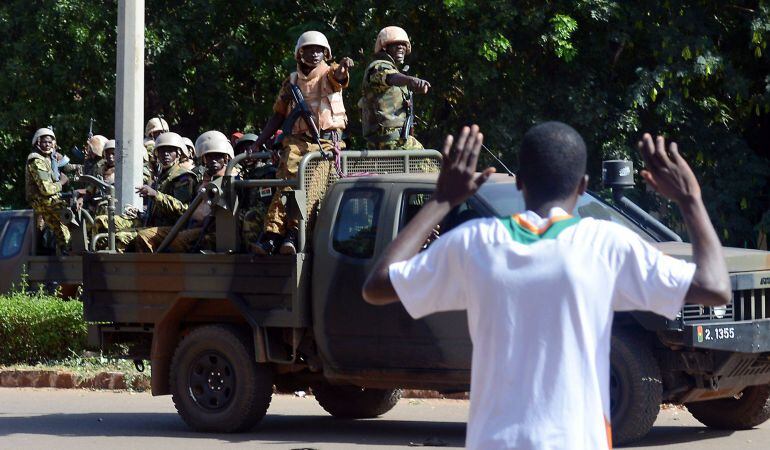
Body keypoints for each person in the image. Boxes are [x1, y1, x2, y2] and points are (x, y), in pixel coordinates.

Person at [362, 124, 731, 450]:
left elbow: (377, 286)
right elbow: (714, 288)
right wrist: (690, 199)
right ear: (583, 186)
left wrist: (441, 200)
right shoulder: (606, 245)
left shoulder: (474, 243)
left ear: (520, 181)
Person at [251, 30, 354, 256]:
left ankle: (293, 233)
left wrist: (344, 68)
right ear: (300, 53)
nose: (315, 54)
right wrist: (259, 142)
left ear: (326, 53)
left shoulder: (330, 73)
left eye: (319, 50)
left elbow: (339, 77)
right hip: (297, 142)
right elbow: (278, 115)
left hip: (326, 145)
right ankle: (272, 234)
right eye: (309, 49)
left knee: (309, 185)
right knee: (286, 183)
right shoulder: (291, 81)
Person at [135, 130, 233, 253]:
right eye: (209, 156)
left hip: (209, 229)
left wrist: (156, 195)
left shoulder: (229, 180)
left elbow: (183, 209)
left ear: (225, 158)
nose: (213, 160)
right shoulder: (204, 180)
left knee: (173, 240)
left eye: (217, 156)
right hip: (190, 225)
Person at [360, 26, 431, 150]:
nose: (400, 47)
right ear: (384, 47)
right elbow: (390, 77)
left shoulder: (394, 69)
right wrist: (411, 80)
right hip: (390, 142)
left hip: (395, 141)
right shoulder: (378, 66)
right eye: (395, 44)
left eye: (403, 44)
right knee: (432, 166)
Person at [25, 127, 71, 251]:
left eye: (50, 142)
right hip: (43, 201)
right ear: (37, 142)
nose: (47, 145)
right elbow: (46, 189)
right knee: (70, 218)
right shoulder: (36, 160)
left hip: (47, 202)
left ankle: (65, 252)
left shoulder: (47, 159)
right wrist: (62, 182)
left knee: (61, 231)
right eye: (44, 142)